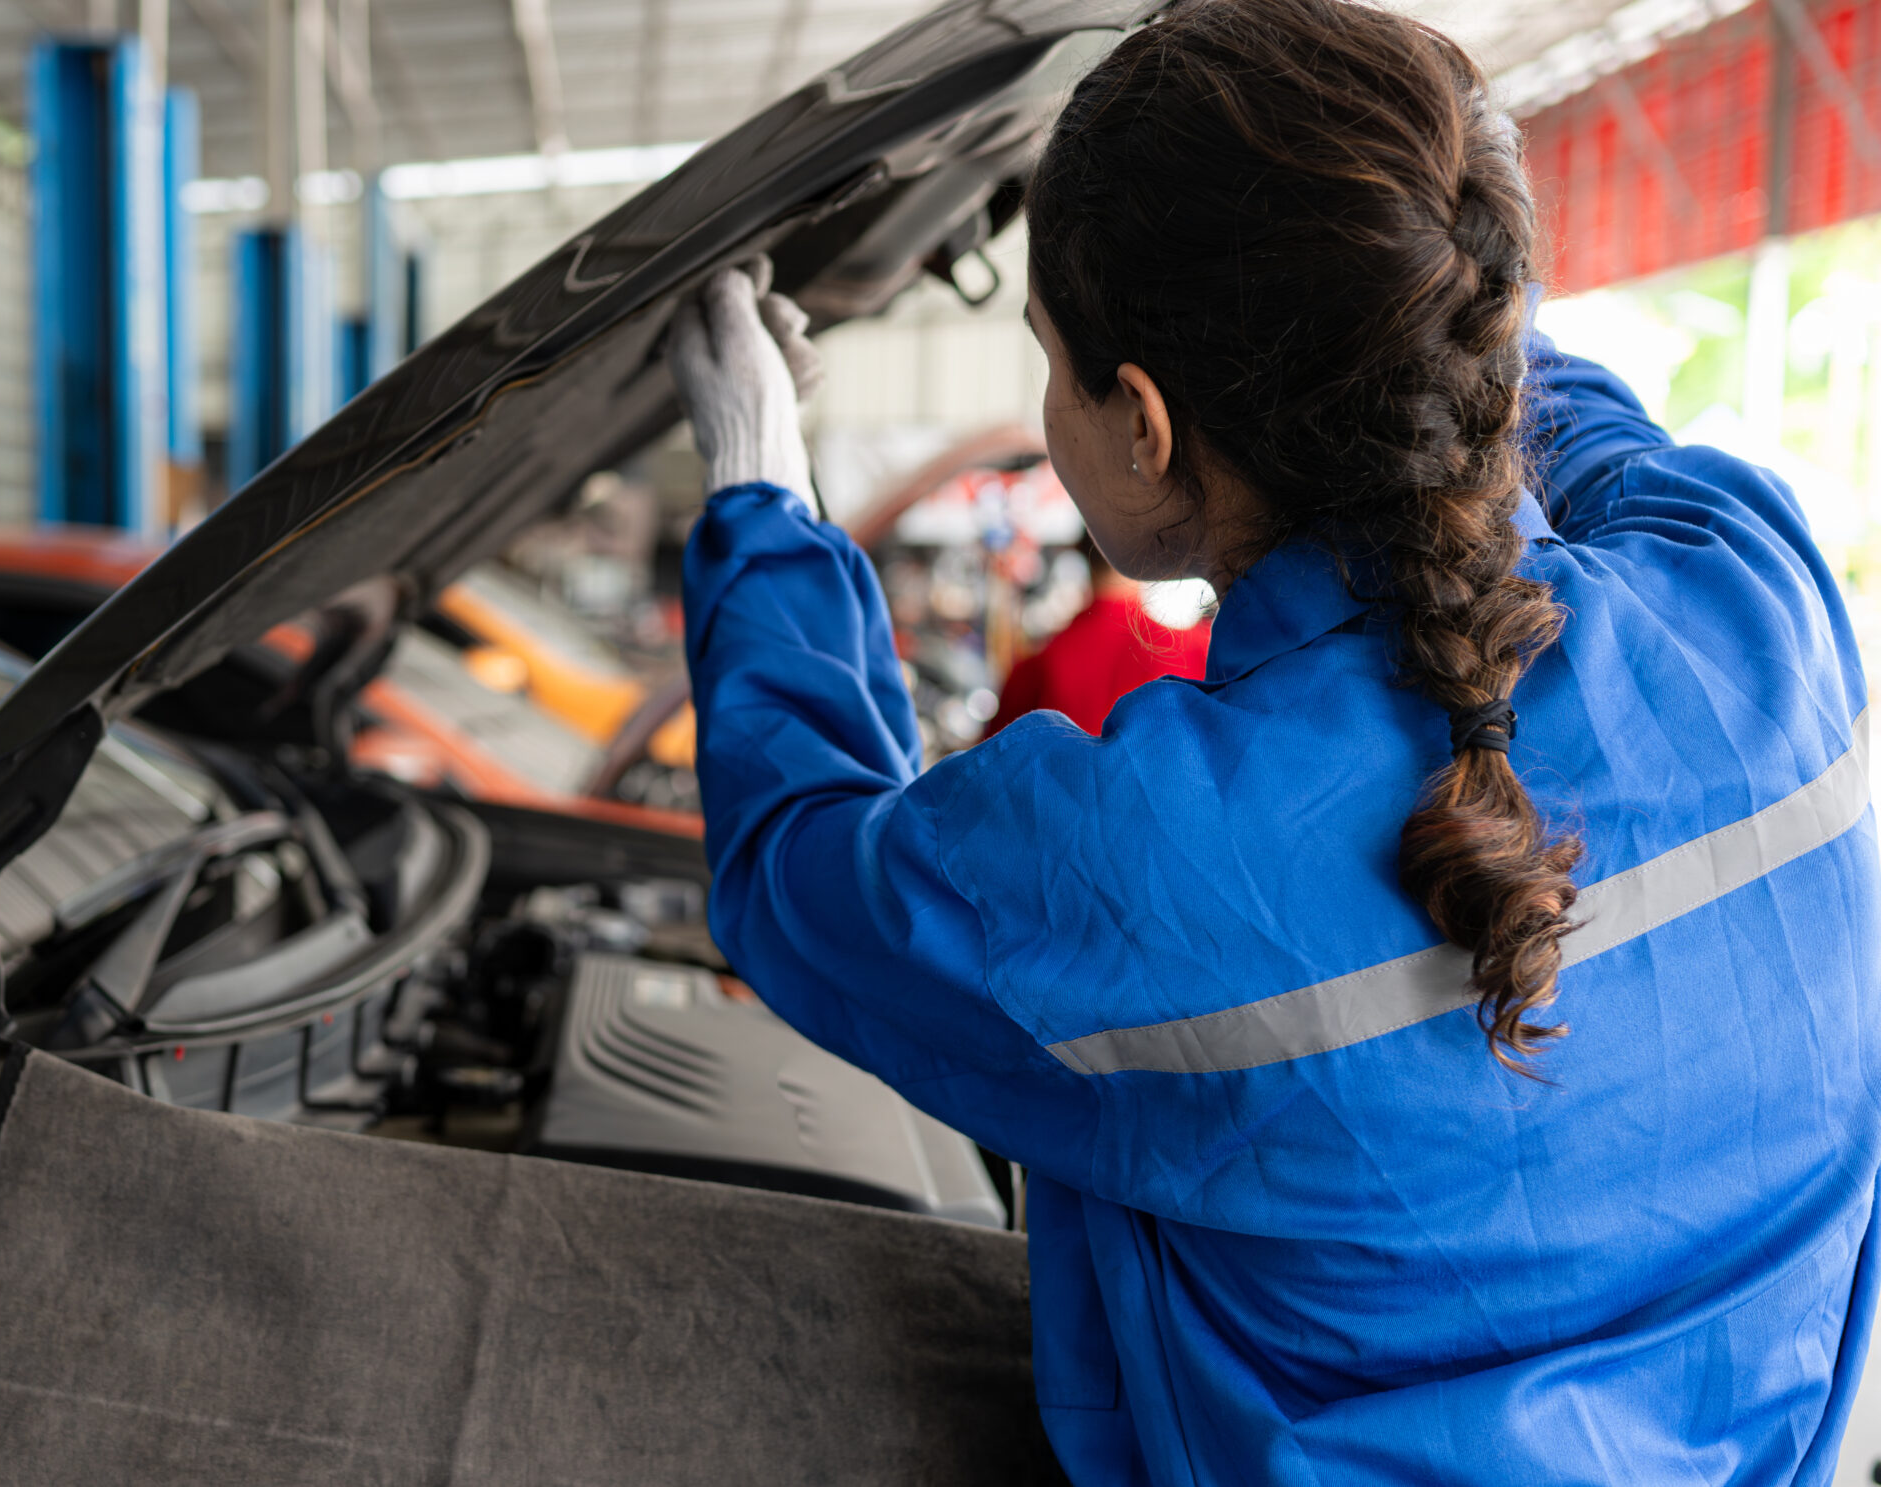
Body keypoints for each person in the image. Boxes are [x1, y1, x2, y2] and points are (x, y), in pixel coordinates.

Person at [665, 0, 1881, 1481]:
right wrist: (1385, 232)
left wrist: (757, 486)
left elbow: (801, 867)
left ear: (1144, 425)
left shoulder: (1133, 858)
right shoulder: (1754, 604)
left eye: (1050, 360)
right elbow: (1546, 407)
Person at [987, 534, 1211, 737]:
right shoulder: (1198, 652)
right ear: (1150, 559)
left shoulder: (1038, 666)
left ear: (1082, 553)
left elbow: (988, 764)